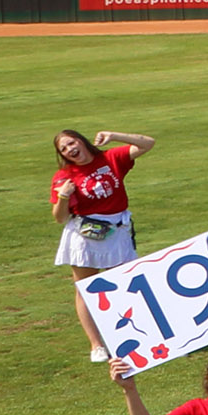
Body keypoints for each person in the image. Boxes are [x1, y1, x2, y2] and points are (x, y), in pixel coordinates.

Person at [51, 124, 156, 360]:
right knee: (86, 289)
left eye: (71, 143)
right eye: (64, 149)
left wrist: (114, 135)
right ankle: (96, 346)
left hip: (117, 231)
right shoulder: (64, 176)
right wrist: (63, 196)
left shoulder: (110, 158)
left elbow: (148, 143)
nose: (69, 149)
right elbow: (60, 217)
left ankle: (135, 336)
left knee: (125, 285)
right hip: (85, 236)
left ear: (82, 141)